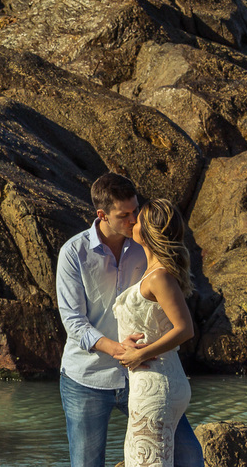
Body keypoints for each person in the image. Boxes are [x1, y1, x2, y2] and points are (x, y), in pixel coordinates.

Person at [55, 173, 202, 467]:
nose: (133, 219)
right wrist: (120, 351)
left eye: (135, 210)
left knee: (189, 456)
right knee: (86, 464)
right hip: (87, 377)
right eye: (124, 215)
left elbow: (171, 306)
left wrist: (141, 354)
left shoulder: (144, 243)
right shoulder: (74, 253)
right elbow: (73, 321)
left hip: (145, 375)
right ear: (102, 215)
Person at [113, 197, 195, 467]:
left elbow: (185, 328)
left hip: (156, 384)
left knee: (146, 461)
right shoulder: (153, 272)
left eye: (139, 218)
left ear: (149, 232)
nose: (133, 220)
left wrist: (141, 354)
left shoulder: (159, 276)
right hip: (152, 381)